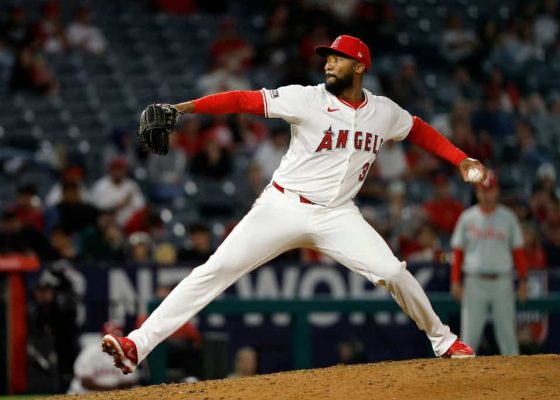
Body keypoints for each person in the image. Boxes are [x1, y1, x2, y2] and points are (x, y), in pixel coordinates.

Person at [102, 35, 486, 374]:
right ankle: (138, 345)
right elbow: (243, 100)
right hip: (282, 207)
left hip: (338, 214)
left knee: (394, 272)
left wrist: (459, 159)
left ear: (359, 66)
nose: (328, 62)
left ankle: (445, 342)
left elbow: (417, 128)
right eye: (327, 57)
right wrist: (183, 109)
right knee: (214, 271)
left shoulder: (383, 112)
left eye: (337, 57)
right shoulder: (306, 98)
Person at [450, 172, 528, 356]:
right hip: (474, 281)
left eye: (490, 190)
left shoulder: (508, 218)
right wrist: (455, 281)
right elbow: (458, 252)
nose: (486, 194)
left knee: (508, 336)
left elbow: (518, 252)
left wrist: (523, 281)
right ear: (478, 192)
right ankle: (463, 380)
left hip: (502, 280)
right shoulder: (467, 218)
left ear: (497, 191)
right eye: (483, 190)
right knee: (470, 336)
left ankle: (516, 380)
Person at [68, 322, 139, 394]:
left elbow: (131, 382)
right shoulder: (90, 352)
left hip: (113, 395)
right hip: (85, 394)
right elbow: (85, 382)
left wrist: (111, 391)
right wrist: (109, 391)